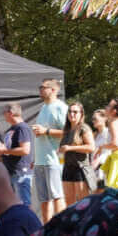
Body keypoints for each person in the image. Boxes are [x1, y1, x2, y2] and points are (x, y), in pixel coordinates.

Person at [30, 78, 69, 222]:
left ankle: (62, 228)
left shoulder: (61, 107)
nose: (40, 90)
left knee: (57, 196)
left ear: (53, 90)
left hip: (54, 159)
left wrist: (46, 131)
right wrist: (35, 158)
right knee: (44, 199)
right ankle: (46, 231)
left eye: (43, 87)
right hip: (41, 160)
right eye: (40, 87)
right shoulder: (44, 107)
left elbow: (68, 132)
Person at [58, 100, 95, 206]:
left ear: (81, 114)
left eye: (75, 112)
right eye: (70, 111)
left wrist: (70, 148)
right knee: (69, 203)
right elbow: (63, 149)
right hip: (67, 168)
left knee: (83, 203)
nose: (72, 114)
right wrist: (60, 152)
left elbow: (91, 147)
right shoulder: (67, 129)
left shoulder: (84, 128)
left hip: (80, 168)